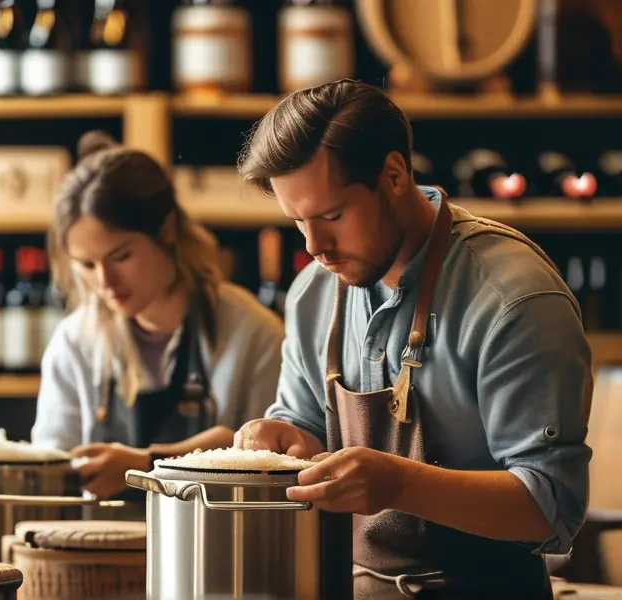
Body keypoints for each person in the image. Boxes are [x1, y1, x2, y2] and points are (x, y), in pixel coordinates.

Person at [233, 80, 593, 600]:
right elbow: (304, 422)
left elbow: (551, 506)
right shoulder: (313, 292)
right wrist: (281, 438)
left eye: (332, 217)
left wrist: (402, 485)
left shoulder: (514, 299)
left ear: (395, 175)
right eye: (297, 222)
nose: (315, 247)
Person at [31, 131, 284, 502]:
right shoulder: (73, 341)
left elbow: (269, 467)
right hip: (91, 551)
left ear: (166, 230)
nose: (105, 282)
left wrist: (145, 463)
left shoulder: (253, 334)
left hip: (215, 550)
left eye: (121, 257)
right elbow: (51, 471)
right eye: (86, 265)